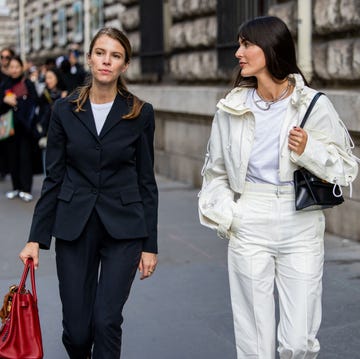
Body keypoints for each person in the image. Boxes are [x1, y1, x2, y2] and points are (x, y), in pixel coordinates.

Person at [198, 16, 358, 359]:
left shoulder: (312, 104)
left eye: (246, 44)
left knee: (298, 342)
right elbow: (215, 174)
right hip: (249, 218)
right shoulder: (231, 108)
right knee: (254, 343)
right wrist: (231, 216)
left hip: (299, 220)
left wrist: (309, 150)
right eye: (239, 44)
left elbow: (347, 168)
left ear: (270, 49)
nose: (238, 53)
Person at [19, 27, 158, 358]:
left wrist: (149, 244)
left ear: (124, 65)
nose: (106, 61)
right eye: (100, 52)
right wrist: (35, 238)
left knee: (107, 320)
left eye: (115, 55)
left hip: (123, 228)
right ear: (89, 57)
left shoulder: (140, 112)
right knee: (78, 332)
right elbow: (54, 178)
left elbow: (146, 182)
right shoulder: (64, 110)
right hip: (74, 225)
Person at [0, 55, 38, 202]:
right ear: (8, 69)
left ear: (22, 68)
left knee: (25, 158)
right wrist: (5, 100)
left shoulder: (27, 83)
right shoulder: (4, 85)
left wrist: (20, 104)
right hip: (9, 128)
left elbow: (34, 102)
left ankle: (26, 189)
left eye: (17, 67)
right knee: (12, 158)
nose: (14, 70)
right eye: (12, 67)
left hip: (25, 127)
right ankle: (16, 188)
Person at [36, 67, 67, 173]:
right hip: (48, 135)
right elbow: (40, 116)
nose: (47, 81)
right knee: (48, 167)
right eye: (46, 78)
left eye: (50, 77)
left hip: (64, 136)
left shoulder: (66, 94)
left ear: (57, 78)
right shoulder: (44, 95)